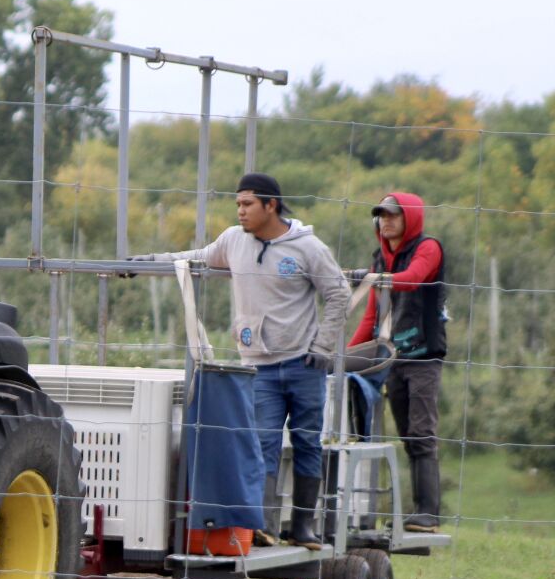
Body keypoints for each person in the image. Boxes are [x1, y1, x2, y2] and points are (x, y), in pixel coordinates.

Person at [128, 172, 348, 548]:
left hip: (303, 365)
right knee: (260, 444)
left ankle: (303, 526)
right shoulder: (233, 241)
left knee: (307, 442)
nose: (240, 212)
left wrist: (323, 348)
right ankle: (259, 525)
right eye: (238, 205)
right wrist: (149, 262)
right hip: (258, 366)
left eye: (247, 205)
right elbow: (193, 258)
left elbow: (339, 293)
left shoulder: (308, 248)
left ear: (271, 205)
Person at [349, 192, 445, 532]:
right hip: (393, 358)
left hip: (423, 358)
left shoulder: (427, 248)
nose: (386, 220)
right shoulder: (380, 260)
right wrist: (344, 356)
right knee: (407, 433)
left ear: (410, 218)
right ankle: (418, 511)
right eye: (381, 215)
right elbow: (372, 315)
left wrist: (373, 278)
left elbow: (415, 277)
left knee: (421, 432)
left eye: (393, 214)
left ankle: (428, 513)